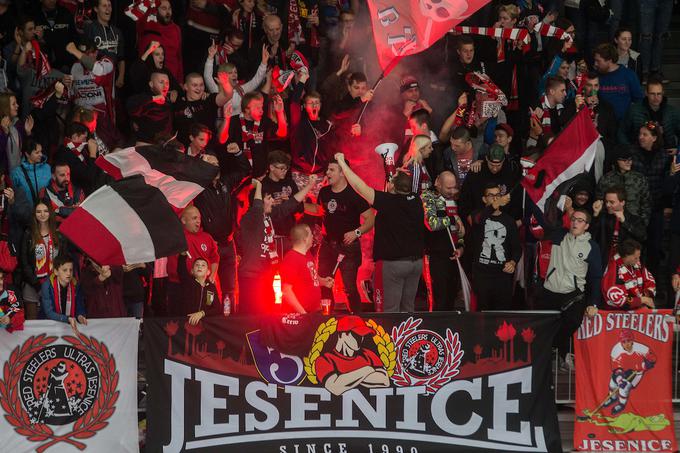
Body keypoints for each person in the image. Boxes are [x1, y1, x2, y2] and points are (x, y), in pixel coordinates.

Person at [333, 153, 424, 312]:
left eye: (391, 180)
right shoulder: (416, 200)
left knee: (389, 311)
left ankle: (388, 336)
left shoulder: (387, 202)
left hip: (394, 265)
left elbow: (359, 187)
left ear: (392, 187)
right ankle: (406, 336)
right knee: (408, 309)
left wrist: (342, 162)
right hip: (415, 264)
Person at [238, 176, 316, 314]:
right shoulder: (250, 219)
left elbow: (289, 205)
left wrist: (309, 186)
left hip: (265, 275)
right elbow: (256, 207)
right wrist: (260, 186)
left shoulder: (269, 216)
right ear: (261, 202)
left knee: (266, 314)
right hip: (251, 276)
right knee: (250, 317)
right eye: (268, 199)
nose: (272, 201)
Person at [538, 208, 602, 362]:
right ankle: (553, 357)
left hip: (573, 292)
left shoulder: (592, 247)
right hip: (550, 290)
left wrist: (593, 303)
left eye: (580, 220)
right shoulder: (559, 235)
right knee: (545, 326)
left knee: (573, 322)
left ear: (586, 226)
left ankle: (557, 350)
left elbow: (596, 277)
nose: (575, 222)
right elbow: (543, 218)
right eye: (573, 219)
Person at [317, 158, 375, 313]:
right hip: (327, 245)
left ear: (342, 173)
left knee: (348, 287)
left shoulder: (353, 194)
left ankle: (356, 319)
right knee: (324, 284)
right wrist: (298, 204)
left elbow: (371, 218)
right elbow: (318, 211)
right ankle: (327, 319)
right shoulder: (324, 192)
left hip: (348, 247)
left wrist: (356, 233)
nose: (327, 173)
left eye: (332, 170)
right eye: (327, 170)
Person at [468, 183, 520, 311]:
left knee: (502, 316)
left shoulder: (509, 221)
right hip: (482, 276)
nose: (495, 198)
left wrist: (513, 262)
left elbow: (517, 248)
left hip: (502, 277)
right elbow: (478, 219)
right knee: (482, 315)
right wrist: (495, 205)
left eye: (498, 195)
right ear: (484, 199)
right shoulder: (476, 216)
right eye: (491, 195)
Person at [313, 315, 389, 396]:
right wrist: (368, 369)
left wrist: (343, 378)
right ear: (342, 334)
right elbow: (334, 387)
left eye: (362, 335)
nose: (360, 339)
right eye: (356, 335)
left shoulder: (368, 354)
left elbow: (385, 381)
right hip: (336, 408)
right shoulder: (325, 360)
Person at [422, 171, 465, 311]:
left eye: (454, 187)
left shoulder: (456, 198)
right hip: (435, 256)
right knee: (438, 299)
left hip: (453, 256)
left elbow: (460, 230)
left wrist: (461, 246)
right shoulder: (429, 196)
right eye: (448, 188)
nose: (452, 191)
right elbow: (431, 224)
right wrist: (452, 220)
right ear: (437, 183)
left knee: (451, 297)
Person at [280, 223, 333, 314]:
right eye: (310, 234)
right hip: (301, 315)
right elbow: (286, 290)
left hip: (314, 311)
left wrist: (323, 281)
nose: (313, 236)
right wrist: (303, 314)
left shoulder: (308, 254)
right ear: (304, 239)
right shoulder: (291, 258)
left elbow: (311, 278)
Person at [596, 145, 651, 227]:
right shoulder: (606, 179)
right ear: (616, 161)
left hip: (634, 224)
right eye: (624, 160)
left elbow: (646, 204)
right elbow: (599, 202)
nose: (628, 162)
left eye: (630, 159)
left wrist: (642, 223)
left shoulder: (640, 179)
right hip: (611, 224)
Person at [604, 330, 656, 415]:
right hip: (622, 371)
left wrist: (648, 363)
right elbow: (616, 368)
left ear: (632, 341)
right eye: (624, 341)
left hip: (636, 373)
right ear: (621, 342)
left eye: (629, 341)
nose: (627, 344)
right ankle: (613, 398)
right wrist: (619, 379)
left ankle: (621, 404)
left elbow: (652, 357)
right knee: (612, 384)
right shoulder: (616, 351)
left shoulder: (641, 348)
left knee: (624, 388)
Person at [619, 77, 680, 148]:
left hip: (666, 153)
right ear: (646, 93)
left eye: (659, 94)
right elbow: (622, 132)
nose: (656, 97)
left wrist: (678, 149)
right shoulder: (634, 110)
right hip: (640, 153)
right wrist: (629, 149)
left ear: (663, 93)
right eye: (652, 94)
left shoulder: (672, 112)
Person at [592, 187, 647, 263]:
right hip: (605, 261)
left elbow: (642, 236)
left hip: (625, 262)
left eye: (612, 202)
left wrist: (624, 222)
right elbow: (591, 235)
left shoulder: (634, 219)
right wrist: (595, 214)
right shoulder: (602, 217)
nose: (608, 205)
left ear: (622, 202)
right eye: (606, 201)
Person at [593, 43, 643, 120]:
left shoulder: (629, 75)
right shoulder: (595, 77)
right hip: (602, 124)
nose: (595, 64)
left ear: (609, 60)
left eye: (598, 61)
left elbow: (639, 100)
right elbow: (591, 97)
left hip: (624, 124)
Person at [602, 239, 656, 310]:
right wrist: (641, 300)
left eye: (639, 257)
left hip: (638, 309)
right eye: (636, 258)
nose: (638, 260)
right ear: (626, 256)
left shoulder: (637, 265)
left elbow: (649, 281)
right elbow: (617, 298)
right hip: (617, 314)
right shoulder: (613, 270)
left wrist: (646, 297)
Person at [41, 254, 86, 334]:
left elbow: (79, 305)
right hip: (49, 327)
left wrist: (80, 316)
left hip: (69, 324)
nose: (68, 273)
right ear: (56, 271)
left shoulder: (76, 284)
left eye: (71, 270)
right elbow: (49, 312)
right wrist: (67, 319)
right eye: (65, 270)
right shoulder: (47, 285)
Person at [172, 254, 221, 324]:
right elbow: (181, 269)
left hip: (205, 324)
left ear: (208, 272)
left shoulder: (211, 287)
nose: (199, 266)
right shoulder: (188, 282)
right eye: (197, 265)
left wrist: (202, 313)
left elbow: (217, 308)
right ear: (192, 271)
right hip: (187, 322)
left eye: (203, 265)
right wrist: (182, 256)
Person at [10, 138, 50, 208]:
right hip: (26, 213)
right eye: (37, 152)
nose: (41, 154)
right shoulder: (17, 173)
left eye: (41, 151)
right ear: (27, 154)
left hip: (45, 213)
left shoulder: (47, 167)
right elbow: (14, 196)